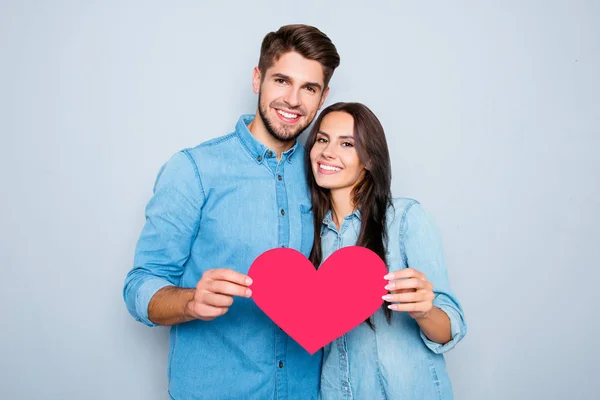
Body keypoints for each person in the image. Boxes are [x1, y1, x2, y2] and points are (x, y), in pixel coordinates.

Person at [123, 25, 340, 400]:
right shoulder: (194, 169)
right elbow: (140, 285)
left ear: (323, 97)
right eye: (282, 80)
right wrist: (190, 301)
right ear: (257, 79)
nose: (293, 100)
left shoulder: (325, 174)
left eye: (309, 88)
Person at [305, 102, 467, 399]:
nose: (328, 152)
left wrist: (424, 311)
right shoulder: (309, 234)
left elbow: (449, 329)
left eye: (347, 143)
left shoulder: (405, 219)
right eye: (322, 139)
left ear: (369, 159)